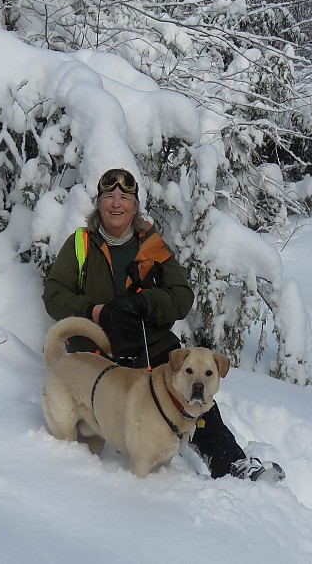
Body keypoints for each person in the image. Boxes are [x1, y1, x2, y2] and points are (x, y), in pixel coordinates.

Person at [42, 168, 285, 482]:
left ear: (135, 204)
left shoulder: (151, 244)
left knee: (193, 394)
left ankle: (230, 463)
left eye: (124, 197)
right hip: (101, 355)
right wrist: (96, 311)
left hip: (150, 349)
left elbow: (182, 297)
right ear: (99, 203)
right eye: (109, 197)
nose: (116, 204)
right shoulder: (81, 244)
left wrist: (145, 302)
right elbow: (53, 295)